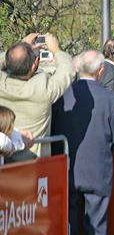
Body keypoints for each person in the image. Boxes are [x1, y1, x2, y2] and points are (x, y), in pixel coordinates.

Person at [51, 50, 114, 234]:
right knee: (97, 226)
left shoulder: (61, 95)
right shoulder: (112, 100)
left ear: (78, 67)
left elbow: (54, 129)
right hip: (98, 170)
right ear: (100, 71)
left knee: (69, 224)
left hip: (67, 168)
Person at [0, 33, 76, 163]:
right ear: (33, 66)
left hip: (4, 159)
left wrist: (19, 46)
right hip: (34, 164)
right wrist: (56, 49)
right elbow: (68, 71)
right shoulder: (42, 88)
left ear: (6, 63)